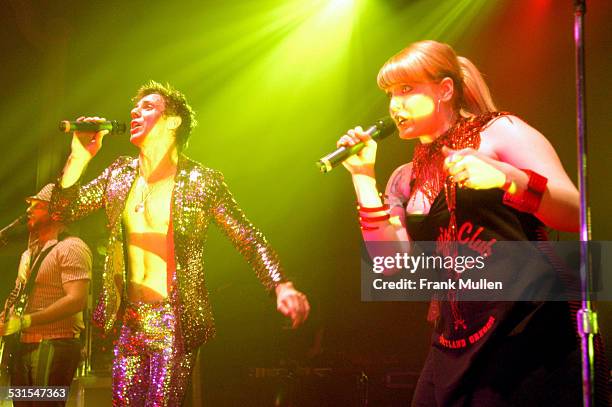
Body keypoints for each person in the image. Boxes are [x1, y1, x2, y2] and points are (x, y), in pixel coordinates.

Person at [337, 40, 608, 406]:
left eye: (406, 89)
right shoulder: (405, 177)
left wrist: (506, 177)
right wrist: (362, 176)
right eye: (389, 93)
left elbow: (578, 214)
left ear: (445, 89)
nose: (393, 105)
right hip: (456, 340)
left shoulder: (501, 132)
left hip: (527, 329)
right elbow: (391, 266)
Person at [48, 81, 310, 406]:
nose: (135, 111)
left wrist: (280, 284)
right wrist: (78, 158)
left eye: (148, 106)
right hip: (129, 320)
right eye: (135, 106)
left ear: (173, 121)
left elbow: (246, 236)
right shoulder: (119, 174)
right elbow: (61, 210)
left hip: (174, 320)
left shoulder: (201, 181)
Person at [1, 183, 92, 407]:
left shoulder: (71, 247)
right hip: (24, 347)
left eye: (37, 205)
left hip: (54, 347)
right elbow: (20, 294)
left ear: (55, 211)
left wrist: (26, 320)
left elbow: (76, 300)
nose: (28, 211)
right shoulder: (29, 253)